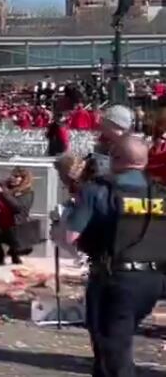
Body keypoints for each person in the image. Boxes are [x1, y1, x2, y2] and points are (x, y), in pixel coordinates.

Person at [66, 136, 166, 377]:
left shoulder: (99, 190)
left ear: (116, 159)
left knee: (113, 353)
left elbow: (69, 237)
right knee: (110, 349)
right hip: (154, 280)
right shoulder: (160, 192)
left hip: (115, 280)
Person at [0, 167, 36, 265]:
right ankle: (0, 254)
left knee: (18, 238)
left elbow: (18, 207)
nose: (13, 178)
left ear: (23, 179)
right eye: (12, 175)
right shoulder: (4, 186)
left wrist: (2, 193)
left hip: (16, 226)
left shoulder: (27, 192)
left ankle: (15, 254)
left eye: (17, 176)